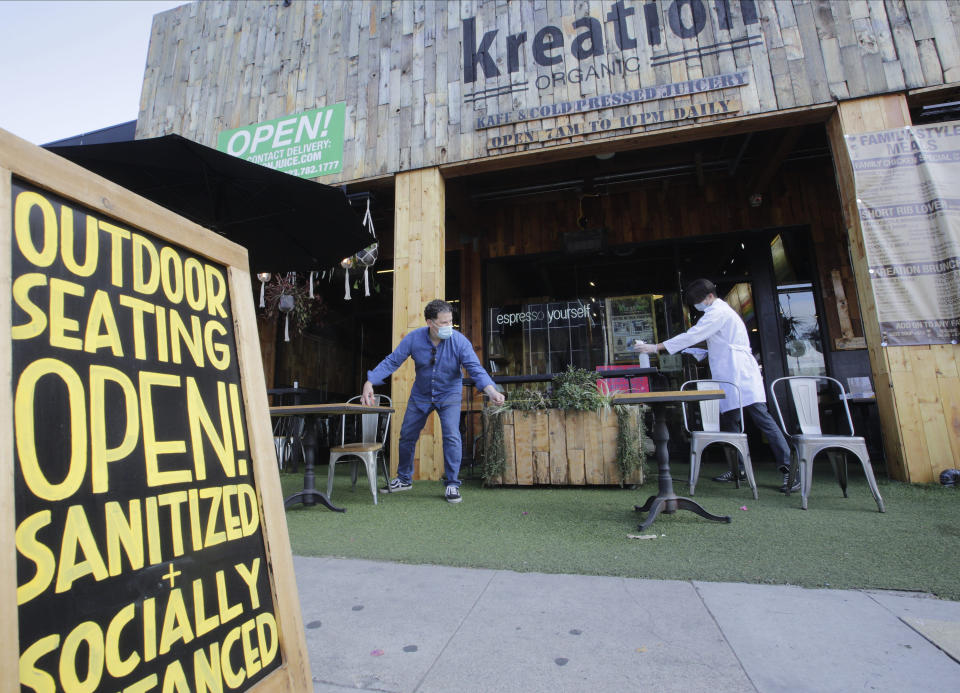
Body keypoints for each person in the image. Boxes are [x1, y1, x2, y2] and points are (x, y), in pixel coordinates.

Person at [634, 279, 797, 492]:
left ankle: (790, 472)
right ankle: (737, 468)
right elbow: (716, 342)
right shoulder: (720, 312)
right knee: (731, 424)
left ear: (709, 297)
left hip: (741, 375)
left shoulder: (717, 312)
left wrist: (655, 347)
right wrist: (698, 352)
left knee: (762, 419)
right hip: (729, 375)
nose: (696, 306)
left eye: (697, 302)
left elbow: (694, 334)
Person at [361, 299, 505, 503]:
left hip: (449, 395)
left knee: (452, 436)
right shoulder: (413, 339)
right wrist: (370, 381)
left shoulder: (460, 341)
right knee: (406, 436)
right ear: (430, 322)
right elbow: (392, 361)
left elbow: (475, 369)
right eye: (444, 323)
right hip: (420, 395)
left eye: (450, 322)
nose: (449, 327)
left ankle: (453, 484)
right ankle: (403, 479)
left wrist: (491, 391)